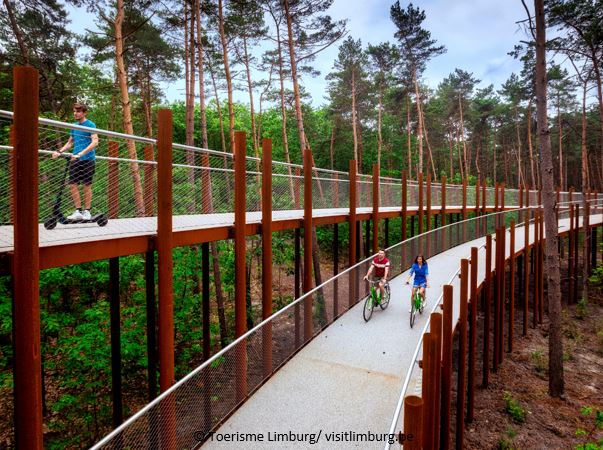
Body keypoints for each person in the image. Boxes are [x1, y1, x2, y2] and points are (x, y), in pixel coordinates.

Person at [52, 103, 98, 220]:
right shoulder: (74, 126)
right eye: (74, 111)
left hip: (87, 159)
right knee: (72, 184)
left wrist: (81, 153)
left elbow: (95, 142)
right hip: (75, 159)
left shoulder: (90, 125)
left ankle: (87, 212)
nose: (75, 113)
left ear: (84, 113)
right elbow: (70, 142)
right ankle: (78, 211)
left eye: (78, 111)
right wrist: (59, 151)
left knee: (87, 185)